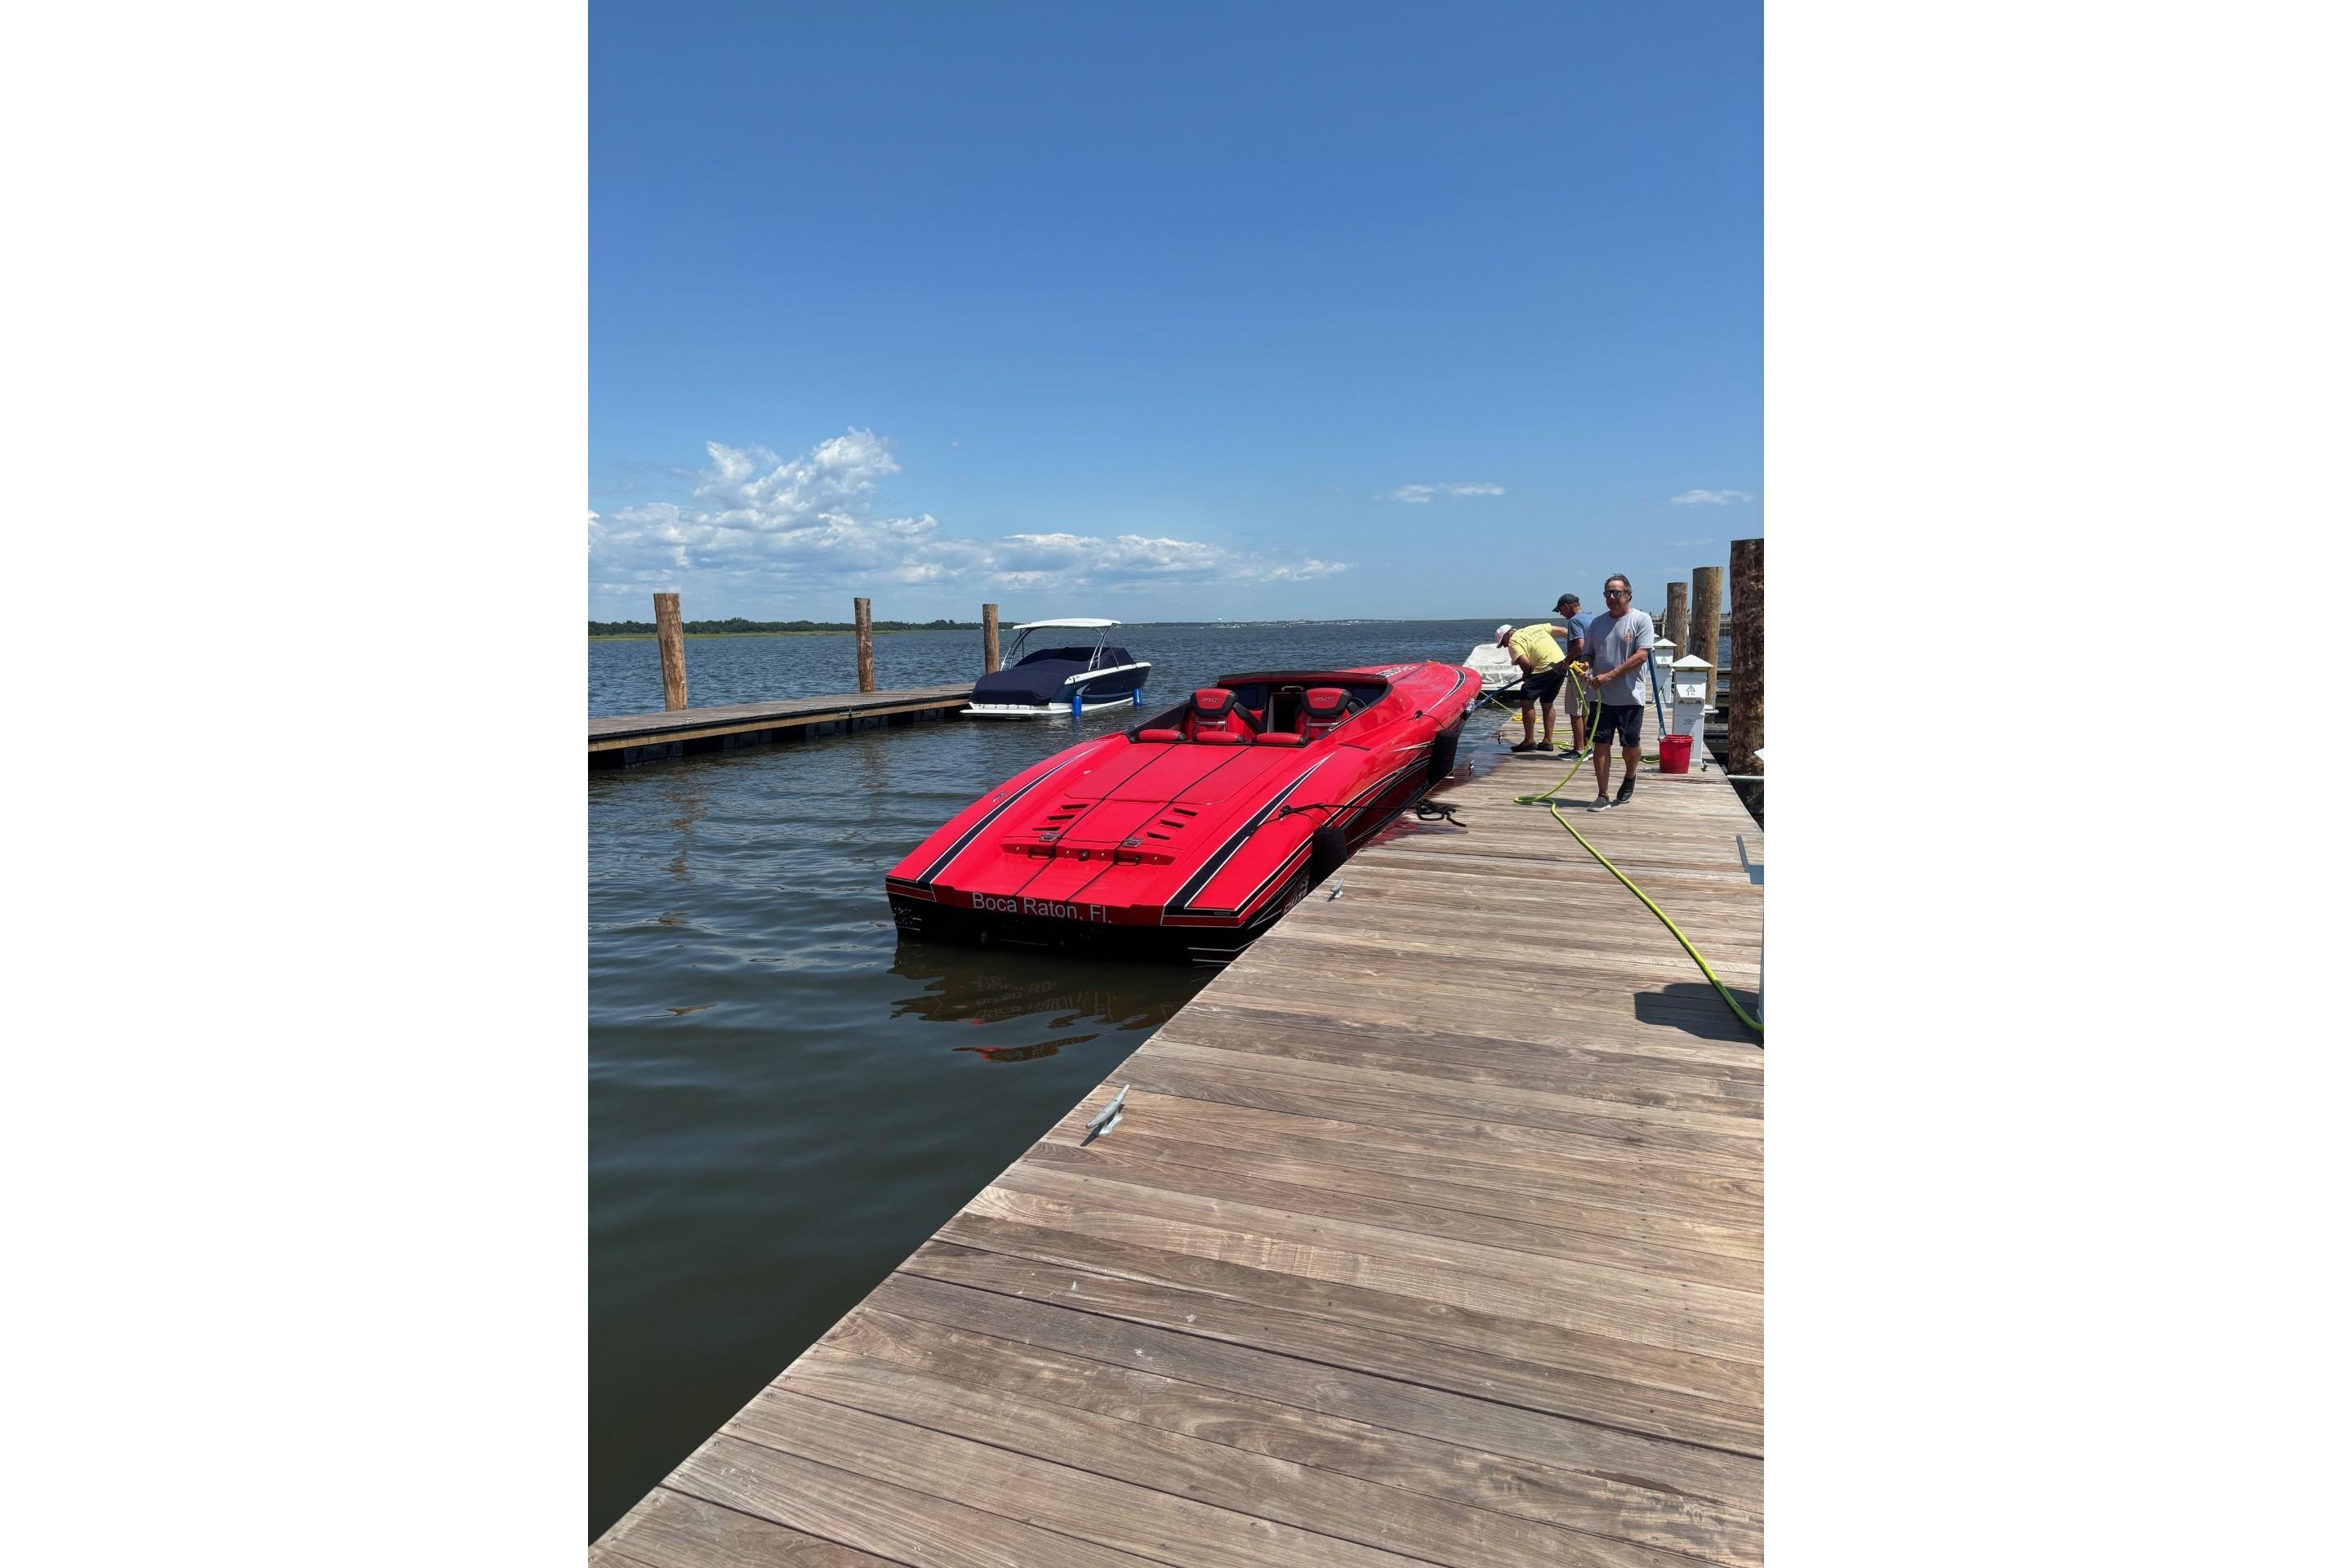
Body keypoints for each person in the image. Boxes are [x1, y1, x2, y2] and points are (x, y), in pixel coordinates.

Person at [1582, 574, 1656, 810]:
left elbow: (1642, 655)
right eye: (1607, 593)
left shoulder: (1641, 620)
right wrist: (1585, 666)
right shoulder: (1597, 623)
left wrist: (1610, 675)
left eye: (1617, 592)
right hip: (1600, 697)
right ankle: (1602, 794)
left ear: (1628, 595)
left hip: (1630, 697)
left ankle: (1630, 776)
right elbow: (1588, 653)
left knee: (1630, 746)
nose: (1612, 597)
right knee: (1600, 744)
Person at [1494, 621, 1570, 752]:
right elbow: (1563, 630)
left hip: (1545, 668)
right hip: (1561, 664)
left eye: (1503, 643)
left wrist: (1526, 674)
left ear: (1508, 635)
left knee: (1526, 700)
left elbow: (1525, 663)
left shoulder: (1514, 642)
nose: (1505, 646)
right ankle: (1548, 741)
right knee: (1547, 702)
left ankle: (1529, 741)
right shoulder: (1535, 627)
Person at [1554, 592, 1594, 756]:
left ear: (1566, 606)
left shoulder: (1574, 621)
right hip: (1590, 670)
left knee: (1575, 711)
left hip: (1578, 671)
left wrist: (1566, 661)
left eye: (1560, 610)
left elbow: (1579, 646)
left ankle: (1579, 750)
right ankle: (1587, 747)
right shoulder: (1591, 618)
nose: (1561, 614)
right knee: (1585, 710)